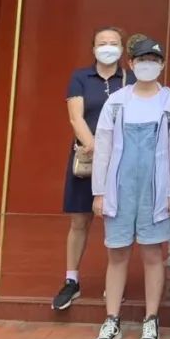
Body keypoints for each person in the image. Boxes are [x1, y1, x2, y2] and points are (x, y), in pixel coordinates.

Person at [90, 37, 170, 339]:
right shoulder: (117, 101)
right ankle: (112, 319)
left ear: (162, 65)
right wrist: (99, 192)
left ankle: (151, 319)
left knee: (152, 253)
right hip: (119, 188)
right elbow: (103, 147)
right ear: (131, 64)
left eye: (153, 60)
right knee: (117, 253)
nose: (147, 65)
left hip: (155, 188)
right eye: (142, 59)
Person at [54, 27, 134, 311]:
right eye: (102, 43)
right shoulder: (80, 77)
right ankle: (71, 280)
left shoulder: (130, 79)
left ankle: (114, 283)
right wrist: (96, 148)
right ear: (93, 48)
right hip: (87, 157)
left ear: (122, 48)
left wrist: (113, 154)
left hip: (122, 159)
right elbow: (76, 118)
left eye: (114, 43)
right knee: (80, 220)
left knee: (116, 222)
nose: (108, 47)